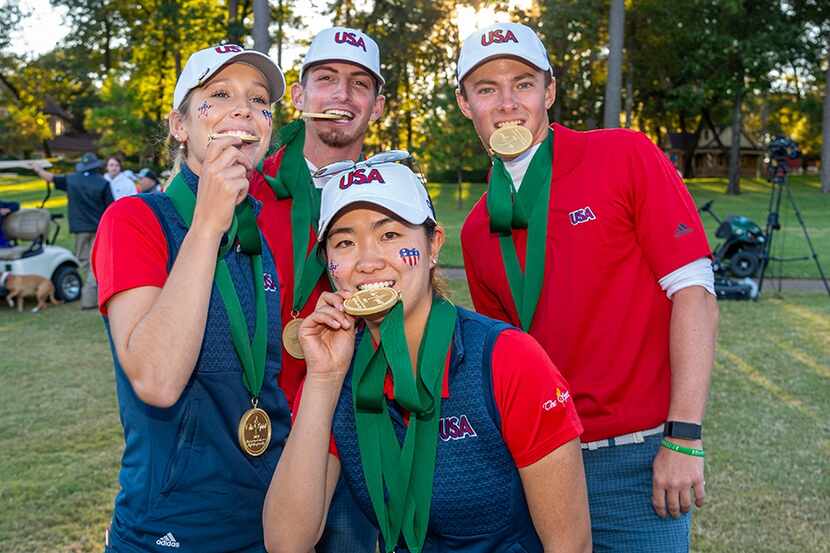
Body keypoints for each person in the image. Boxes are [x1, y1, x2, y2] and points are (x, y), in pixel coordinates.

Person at [456, 22, 719, 552]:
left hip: (638, 461)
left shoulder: (623, 156)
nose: (508, 103)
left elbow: (694, 292)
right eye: (487, 89)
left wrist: (684, 437)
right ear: (466, 104)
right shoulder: (477, 229)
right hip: (538, 464)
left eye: (523, 83)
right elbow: (509, 361)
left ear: (549, 92)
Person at [263, 160, 591, 553]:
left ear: (433, 244)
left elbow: (569, 544)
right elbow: (286, 542)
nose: (367, 261)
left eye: (389, 234)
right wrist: (322, 380)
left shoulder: (508, 359)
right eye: (345, 242)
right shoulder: (335, 369)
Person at [90, 44, 290, 552]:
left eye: (259, 99)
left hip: (268, 518)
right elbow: (156, 380)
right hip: (173, 529)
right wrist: (207, 222)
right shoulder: (135, 220)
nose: (244, 109)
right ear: (180, 125)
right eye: (219, 94)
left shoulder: (257, 237)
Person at [248, 26, 386, 553]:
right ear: (301, 97)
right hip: (250, 418)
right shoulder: (246, 184)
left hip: (345, 427)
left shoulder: (392, 197)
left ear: (375, 106)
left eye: (358, 83)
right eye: (325, 80)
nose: (341, 96)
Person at [32, 153, 113, 309]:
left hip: (80, 229)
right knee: (98, 261)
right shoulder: (103, 183)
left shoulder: (71, 179)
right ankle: (94, 295)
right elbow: (111, 208)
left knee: (85, 261)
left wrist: (37, 169)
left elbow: (50, 178)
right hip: (99, 228)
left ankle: (89, 297)